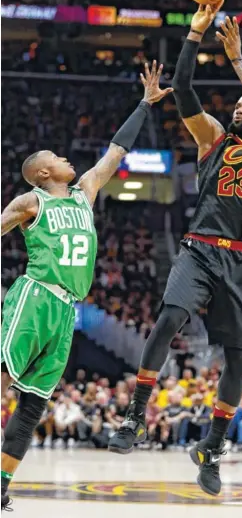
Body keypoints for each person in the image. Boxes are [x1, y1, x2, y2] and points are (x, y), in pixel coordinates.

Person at [108, 3, 242, 496]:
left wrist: (237, 60)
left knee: (237, 359)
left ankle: (211, 450)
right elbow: (184, 91)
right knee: (168, 319)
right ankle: (133, 419)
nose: (241, 108)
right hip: (199, 248)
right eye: (238, 105)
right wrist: (193, 35)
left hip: (241, 257)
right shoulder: (212, 138)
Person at [0, 61, 172, 511]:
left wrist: (144, 105)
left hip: (67, 310)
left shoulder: (85, 191)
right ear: (42, 174)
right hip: (36, 296)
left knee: (32, 406)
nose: (66, 159)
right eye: (56, 158)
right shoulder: (29, 201)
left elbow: (116, 151)